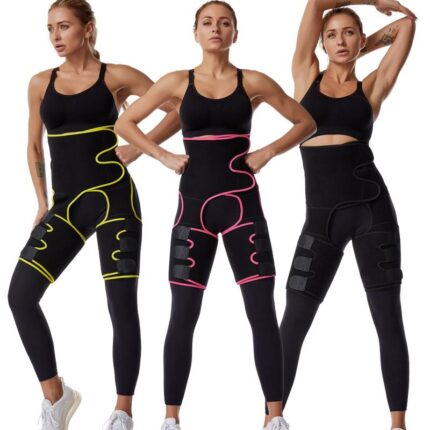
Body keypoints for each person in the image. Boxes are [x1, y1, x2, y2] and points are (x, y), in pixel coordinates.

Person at [115, 2, 316, 429]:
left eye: (225, 23)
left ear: (235, 34)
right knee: (183, 313)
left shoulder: (253, 81)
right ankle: (171, 418)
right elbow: (126, 124)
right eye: (207, 22)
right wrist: (162, 155)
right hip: (193, 211)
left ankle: (275, 418)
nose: (216, 29)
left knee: (261, 311)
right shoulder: (176, 82)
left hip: (243, 208)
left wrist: (268, 151)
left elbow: (305, 122)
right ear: (196, 32)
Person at [7, 1, 179, 429]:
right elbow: (33, 145)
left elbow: (179, 106)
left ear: (88, 29)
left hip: (114, 200)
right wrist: (41, 202)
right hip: (65, 206)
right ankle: (56, 396)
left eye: (64, 26)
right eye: (50, 28)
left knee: (120, 304)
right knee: (20, 296)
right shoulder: (40, 83)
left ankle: (123, 411)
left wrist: (139, 147)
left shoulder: (116, 77)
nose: (55, 36)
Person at [278, 1, 416, 429]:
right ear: (320, 43)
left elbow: (407, 24)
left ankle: (398, 424)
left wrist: (362, 48)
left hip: (373, 210)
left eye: (349, 33)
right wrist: (372, 3)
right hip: (321, 219)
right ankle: (272, 418)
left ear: (360, 39)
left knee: (387, 318)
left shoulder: (371, 88)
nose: (340, 40)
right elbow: (316, 3)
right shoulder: (305, 76)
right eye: (332, 35)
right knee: (294, 319)